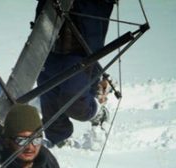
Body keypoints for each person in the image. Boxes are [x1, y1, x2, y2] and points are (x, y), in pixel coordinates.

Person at [35, 0, 116, 147]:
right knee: (49, 97)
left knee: (74, 102)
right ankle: (58, 140)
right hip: (48, 42)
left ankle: (98, 113)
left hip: (81, 48)